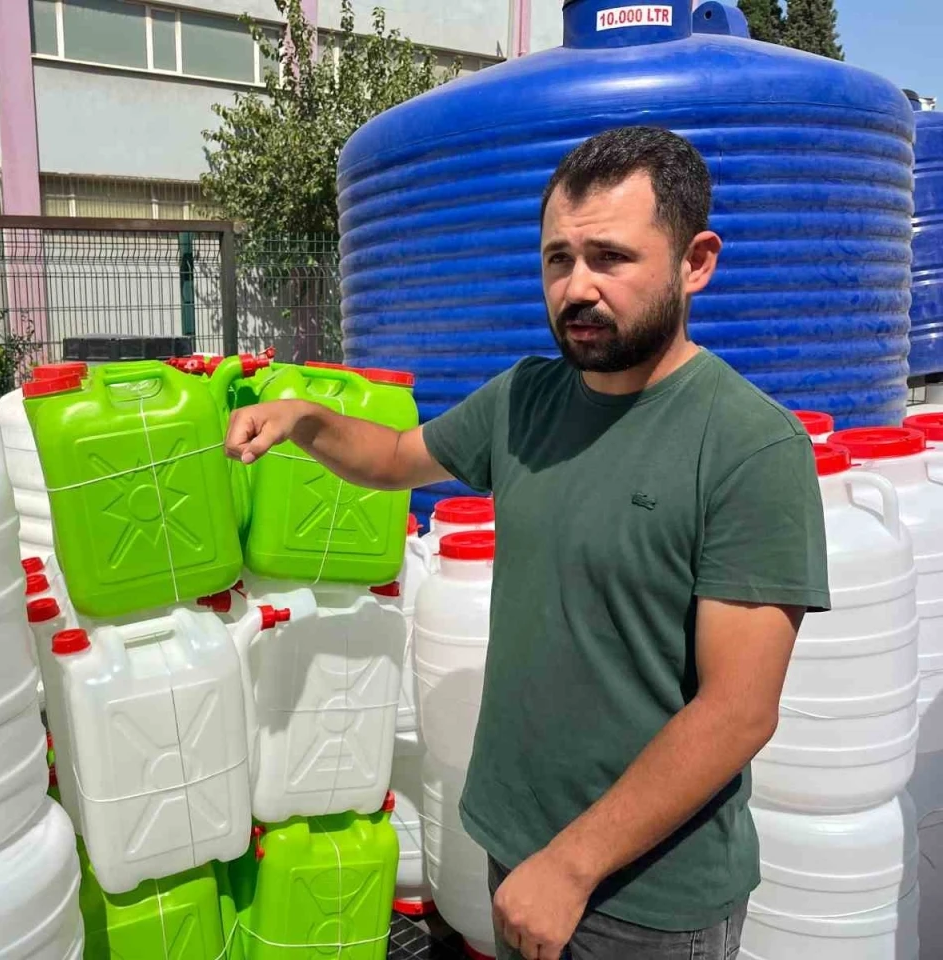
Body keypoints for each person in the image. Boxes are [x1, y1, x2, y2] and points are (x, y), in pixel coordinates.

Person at [223, 126, 829, 960]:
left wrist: (571, 868)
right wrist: (302, 418)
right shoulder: (528, 398)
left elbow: (737, 711)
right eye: (557, 259)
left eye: (610, 258)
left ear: (696, 263)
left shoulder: (748, 446)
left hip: (643, 900)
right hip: (519, 850)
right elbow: (396, 458)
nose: (576, 287)